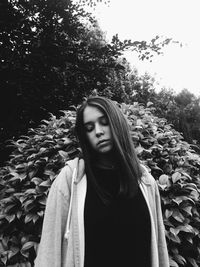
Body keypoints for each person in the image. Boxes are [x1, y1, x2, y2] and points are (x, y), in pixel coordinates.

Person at [35, 96, 169, 267]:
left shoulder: (145, 181)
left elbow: (158, 248)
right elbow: (49, 253)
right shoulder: (71, 180)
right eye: (89, 128)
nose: (98, 131)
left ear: (117, 124)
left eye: (104, 122)